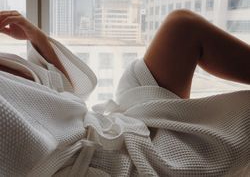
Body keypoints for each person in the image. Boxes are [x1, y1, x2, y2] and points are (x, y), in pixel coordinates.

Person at [0, 10, 249, 177]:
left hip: (105, 124)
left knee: (182, 28)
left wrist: (37, 38)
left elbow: (64, 92)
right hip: (105, 162)